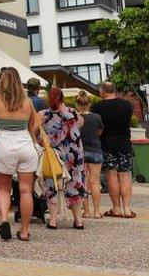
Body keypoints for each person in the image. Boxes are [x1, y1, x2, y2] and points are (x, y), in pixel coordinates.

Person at [0, 68, 41, 241]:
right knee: (25, 190)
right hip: (25, 145)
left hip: (4, 145)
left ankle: (4, 219)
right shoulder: (27, 102)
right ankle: (24, 231)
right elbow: (34, 125)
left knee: (4, 189)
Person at [39, 87, 86, 230]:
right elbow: (81, 123)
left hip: (54, 156)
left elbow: (35, 131)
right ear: (62, 98)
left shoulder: (42, 114)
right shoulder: (72, 112)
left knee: (51, 184)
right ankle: (78, 221)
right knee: (75, 184)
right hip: (75, 155)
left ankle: (53, 221)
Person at [92, 82, 136, 218]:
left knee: (111, 175)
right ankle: (127, 209)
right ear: (115, 90)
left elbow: (98, 127)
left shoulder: (97, 107)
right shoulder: (127, 105)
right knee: (125, 175)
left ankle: (116, 208)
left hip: (107, 145)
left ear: (103, 91)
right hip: (124, 144)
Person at [76, 91, 103, 219]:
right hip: (95, 150)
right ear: (89, 104)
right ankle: (97, 211)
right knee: (95, 182)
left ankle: (86, 211)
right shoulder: (97, 117)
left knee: (84, 182)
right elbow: (99, 131)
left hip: (80, 151)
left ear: (77, 105)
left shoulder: (75, 118)